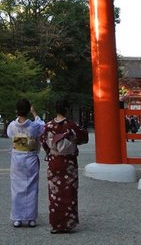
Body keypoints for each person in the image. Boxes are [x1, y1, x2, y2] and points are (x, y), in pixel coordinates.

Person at [40, 99, 88, 234]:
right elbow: (83, 138)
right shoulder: (72, 126)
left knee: (55, 194)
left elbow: (43, 141)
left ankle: (56, 224)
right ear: (66, 109)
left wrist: (51, 150)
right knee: (69, 192)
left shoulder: (48, 126)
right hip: (69, 164)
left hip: (54, 162)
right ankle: (68, 224)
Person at [7, 99, 45, 228]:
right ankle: (31, 218)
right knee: (31, 187)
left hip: (17, 158)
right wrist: (34, 113)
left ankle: (17, 218)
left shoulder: (12, 126)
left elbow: (10, 135)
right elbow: (42, 126)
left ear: (17, 110)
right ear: (29, 110)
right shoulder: (33, 126)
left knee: (16, 188)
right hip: (30, 158)